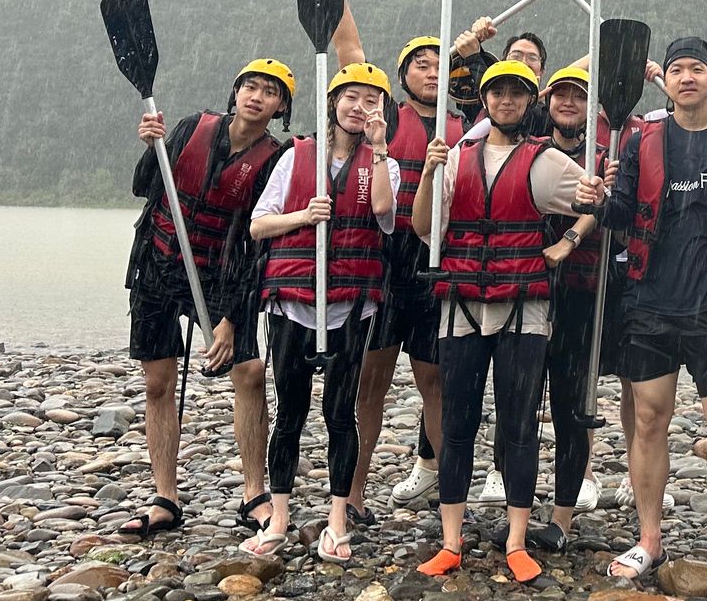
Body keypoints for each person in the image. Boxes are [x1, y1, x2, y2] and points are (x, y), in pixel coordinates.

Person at [577, 37, 707, 581]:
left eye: (698, 70)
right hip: (650, 304)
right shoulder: (643, 142)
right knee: (648, 422)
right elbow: (623, 214)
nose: (688, 78)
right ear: (667, 78)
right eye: (679, 69)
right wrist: (595, 198)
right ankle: (649, 539)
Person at [410, 59, 586, 585]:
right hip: (462, 303)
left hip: (521, 308)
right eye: (497, 93)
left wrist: (570, 238)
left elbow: (600, 200)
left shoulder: (546, 161)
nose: (506, 101)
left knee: (518, 425)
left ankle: (515, 540)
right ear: (484, 101)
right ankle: (450, 539)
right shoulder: (455, 159)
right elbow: (423, 227)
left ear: (529, 102)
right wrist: (426, 171)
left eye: (516, 94)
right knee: (458, 423)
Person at [120, 58, 293, 541]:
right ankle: (165, 497)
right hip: (157, 265)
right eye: (249, 87)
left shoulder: (275, 158)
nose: (256, 97)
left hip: (221, 274)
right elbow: (142, 187)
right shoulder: (192, 128)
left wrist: (232, 320)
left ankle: (254, 493)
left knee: (250, 371)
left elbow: (257, 246)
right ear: (235, 92)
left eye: (269, 92)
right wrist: (151, 146)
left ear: (281, 106)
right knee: (158, 382)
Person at [244, 63, 397, 562]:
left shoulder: (383, 162)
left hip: (350, 305)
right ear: (333, 102)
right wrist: (305, 215)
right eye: (351, 96)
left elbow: (382, 214)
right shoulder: (296, 158)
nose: (359, 107)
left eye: (371, 100)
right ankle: (281, 518)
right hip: (293, 304)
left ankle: (336, 520)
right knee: (289, 411)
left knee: (339, 412)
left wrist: (378, 151)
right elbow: (259, 226)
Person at [347, 37, 462, 522]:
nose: (432, 73)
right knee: (369, 384)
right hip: (383, 262)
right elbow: (350, 54)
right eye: (421, 65)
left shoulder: (468, 125)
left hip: (435, 261)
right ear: (403, 75)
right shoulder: (383, 119)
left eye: (441, 66)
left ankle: (450, 494)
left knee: (434, 382)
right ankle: (351, 494)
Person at [529, 64, 628, 546]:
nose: (568, 103)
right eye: (560, 95)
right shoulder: (527, 153)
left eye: (579, 97)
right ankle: (519, 508)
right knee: (521, 403)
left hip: (583, 295)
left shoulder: (606, 159)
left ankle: (562, 517)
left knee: (571, 406)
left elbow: (615, 210)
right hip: (526, 292)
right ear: (546, 102)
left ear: (593, 109)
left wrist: (576, 231)